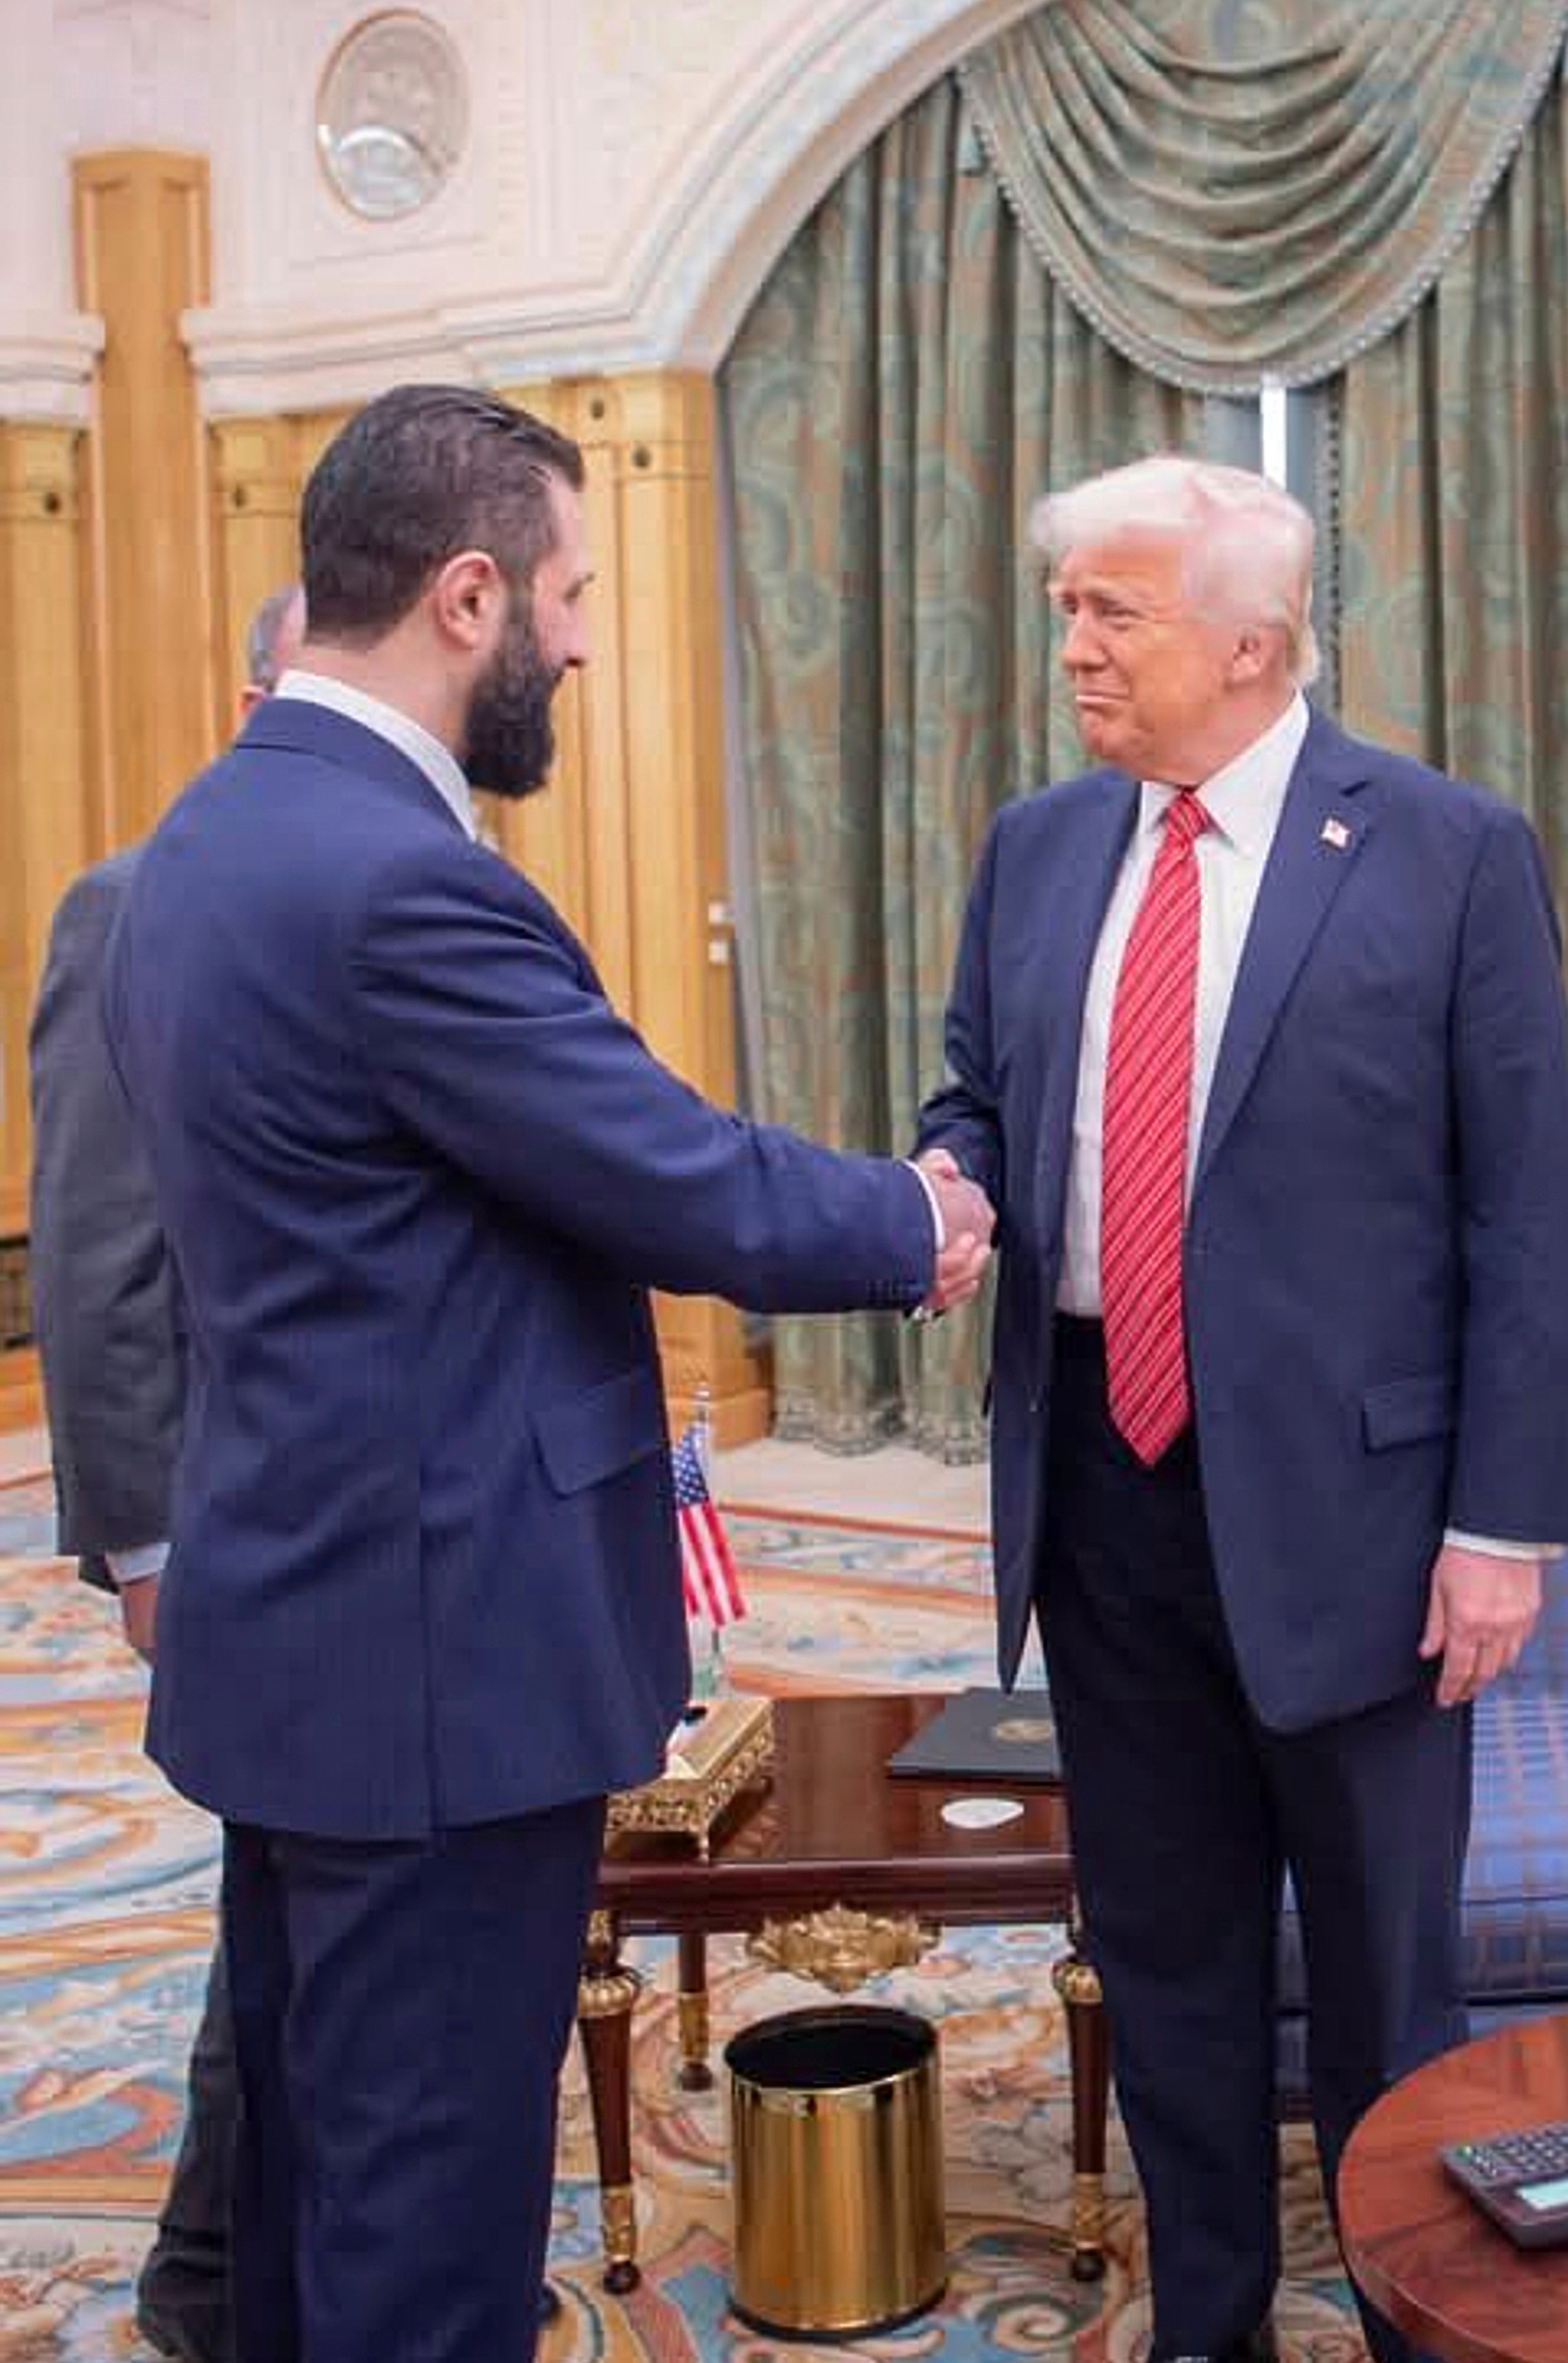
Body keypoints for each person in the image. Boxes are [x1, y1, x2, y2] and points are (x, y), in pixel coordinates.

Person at [102, 383, 995, 2362]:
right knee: (429, 2216)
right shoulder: (401, 882)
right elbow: (674, 1172)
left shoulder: (201, 842)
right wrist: (918, 1219)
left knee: (310, 2181)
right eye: (575, 593)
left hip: (302, 1626)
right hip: (435, 1658)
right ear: (471, 593)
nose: (587, 641)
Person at [914, 455, 1568, 2363]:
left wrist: (1502, 1527)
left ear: (1253, 641)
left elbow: (1520, 1212)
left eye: (1111, 612)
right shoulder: (1040, 846)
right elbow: (978, 1087)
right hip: (1105, 1502)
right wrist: (951, 1180)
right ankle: (1204, 2320)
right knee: (1171, 1964)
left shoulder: (1448, 850)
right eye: (1068, 608)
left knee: (1386, 1988)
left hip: (1362, 1533)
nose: (1073, 646)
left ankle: (1408, 2324)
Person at [24, 580, 304, 2363]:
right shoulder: (131, 906)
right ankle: (211, 2280)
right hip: (229, 1525)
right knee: (280, 1913)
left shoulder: (395, 888)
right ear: (260, 687)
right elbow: (94, 1254)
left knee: (292, 1912)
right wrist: (140, 1542)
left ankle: (249, 2271)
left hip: (344, 1517)